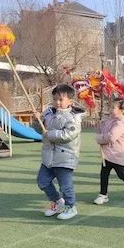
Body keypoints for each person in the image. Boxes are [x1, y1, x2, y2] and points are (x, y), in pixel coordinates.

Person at [36, 84, 85, 220]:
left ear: (70, 101)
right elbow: (38, 129)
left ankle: (71, 207)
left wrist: (49, 134)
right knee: (42, 181)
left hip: (65, 157)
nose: (57, 102)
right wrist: (37, 119)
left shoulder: (74, 117)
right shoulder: (48, 113)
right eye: (55, 99)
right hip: (48, 157)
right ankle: (57, 201)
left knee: (65, 185)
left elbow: (67, 135)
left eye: (61, 100)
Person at [93, 99, 124, 204]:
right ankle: (103, 194)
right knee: (104, 174)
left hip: (118, 153)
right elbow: (103, 131)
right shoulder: (111, 120)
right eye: (110, 107)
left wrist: (99, 138)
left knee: (121, 173)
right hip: (109, 153)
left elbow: (111, 137)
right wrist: (100, 124)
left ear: (122, 110)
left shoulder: (121, 123)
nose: (110, 110)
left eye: (113, 108)